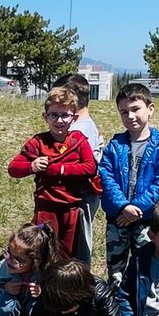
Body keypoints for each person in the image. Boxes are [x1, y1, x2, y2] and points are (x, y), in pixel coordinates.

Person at [99, 82, 159, 289]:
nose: (130, 116)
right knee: (116, 270)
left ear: (150, 109)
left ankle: (142, 310)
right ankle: (116, 311)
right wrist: (123, 206)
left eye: (135, 109)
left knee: (147, 267)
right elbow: (105, 177)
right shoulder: (115, 145)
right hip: (118, 219)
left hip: (147, 219)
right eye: (124, 112)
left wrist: (137, 207)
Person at [7, 87, 97, 261]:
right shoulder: (38, 142)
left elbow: (90, 167)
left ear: (74, 118)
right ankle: (40, 284)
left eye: (65, 115)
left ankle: (63, 286)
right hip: (45, 208)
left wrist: (61, 169)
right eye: (54, 115)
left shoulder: (78, 141)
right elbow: (13, 168)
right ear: (45, 117)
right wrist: (32, 166)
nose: (59, 120)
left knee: (67, 253)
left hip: (71, 208)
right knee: (42, 250)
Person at [54, 73, 103, 265]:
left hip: (78, 197)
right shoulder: (87, 125)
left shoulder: (79, 131)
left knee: (77, 244)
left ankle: (78, 284)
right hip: (84, 196)